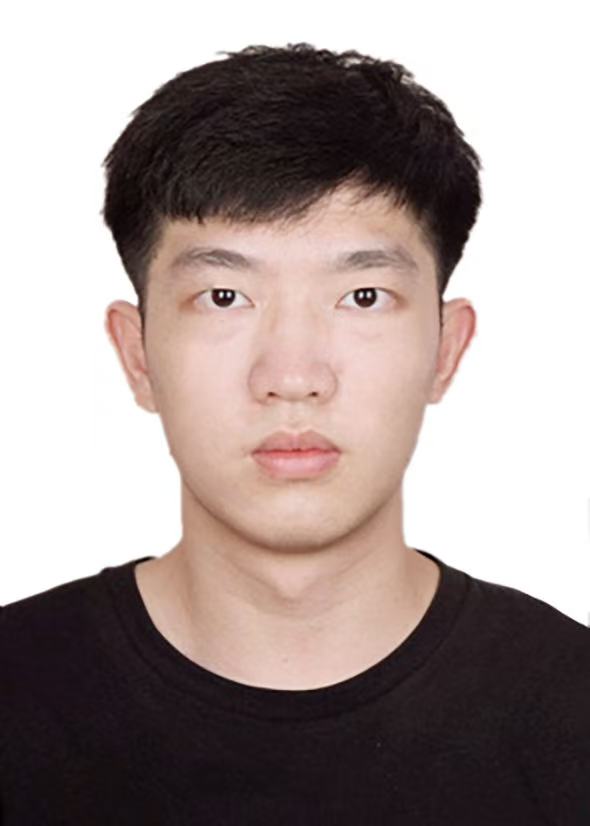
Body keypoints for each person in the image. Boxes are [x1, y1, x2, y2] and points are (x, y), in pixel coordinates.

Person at [1, 43, 588, 824]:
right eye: (223, 296)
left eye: (363, 296)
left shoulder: (570, 710)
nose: (292, 374)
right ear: (136, 354)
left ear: (446, 350)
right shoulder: (18, 693)